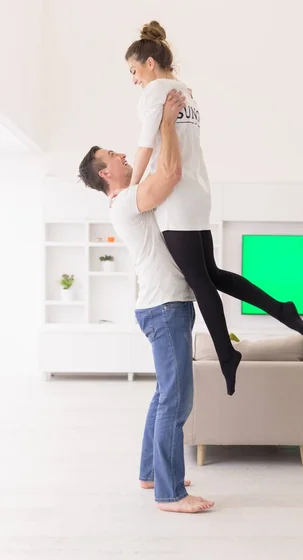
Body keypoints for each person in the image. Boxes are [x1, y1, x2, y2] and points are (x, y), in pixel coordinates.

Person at [124, 21, 303, 396]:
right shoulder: (187, 93)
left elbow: (146, 145)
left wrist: (132, 193)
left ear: (148, 63)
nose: (133, 80)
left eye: (133, 71)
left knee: (200, 280)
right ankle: (281, 309)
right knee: (212, 273)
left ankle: (227, 354)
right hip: (198, 191)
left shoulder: (156, 91)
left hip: (175, 198)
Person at [78, 90, 214, 514]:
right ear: (105, 175)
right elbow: (171, 173)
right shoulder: (127, 202)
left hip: (162, 306)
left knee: (164, 395)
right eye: (114, 156)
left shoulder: (126, 198)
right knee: (177, 399)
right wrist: (168, 123)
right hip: (165, 308)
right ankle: (170, 493)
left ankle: (151, 473)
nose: (123, 157)